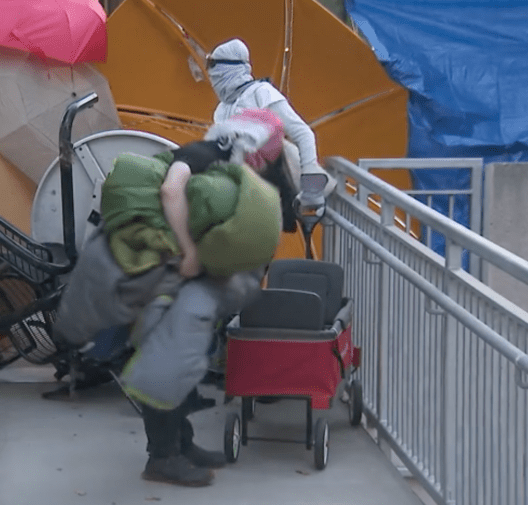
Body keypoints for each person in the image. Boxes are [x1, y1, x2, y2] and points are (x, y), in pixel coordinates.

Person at [53, 112, 295, 488]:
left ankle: (182, 443)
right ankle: (162, 457)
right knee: (163, 354)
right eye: (265, 157)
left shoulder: (222, 158)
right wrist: (189, 252)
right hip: (163, 268)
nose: (262, 166)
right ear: (252, 148)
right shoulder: (204, 154)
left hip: (176, 270)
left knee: (181, 355)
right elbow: (171, 189)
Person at [206, 38, 337, 197]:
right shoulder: (222, 109)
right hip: (243, 189)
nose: (214, 82)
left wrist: (310, 182)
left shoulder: (262, 93)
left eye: (218, 75)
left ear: (231, 70)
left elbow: (303, 134)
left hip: (277, 185)